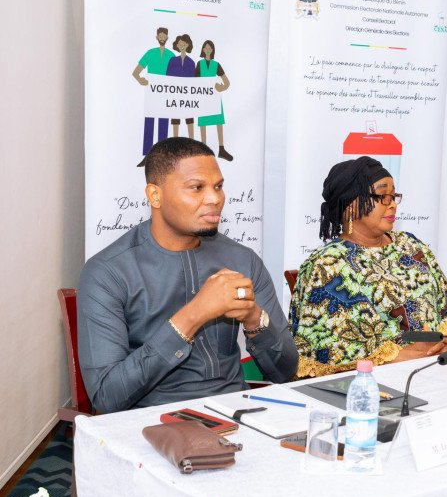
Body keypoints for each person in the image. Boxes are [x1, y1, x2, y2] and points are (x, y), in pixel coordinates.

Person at [78, 138, 297, 413]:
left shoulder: (243, 260)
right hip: (153, 421)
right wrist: (194, 315)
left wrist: (254, 318)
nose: (215, 199)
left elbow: (285, 371)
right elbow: (107, 396)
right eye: (197, 188)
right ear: (155, 195)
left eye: (218, 187)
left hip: (237, 415)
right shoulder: (108, 272)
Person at [290, 157, 447, 378]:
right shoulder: (326, 265)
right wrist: (399, 357)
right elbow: (324, 353)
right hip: (371, 382)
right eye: (382, 196)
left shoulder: (410, 245)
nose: (392, 204)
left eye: (393, 196)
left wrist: (444, 339)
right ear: (351, 204)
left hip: (436, 368)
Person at [131, 27, 174, 167]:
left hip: (166, 93)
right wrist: (141, 80)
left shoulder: (171, 55)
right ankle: (147, 155)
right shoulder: (150, 53)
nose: (162, 37)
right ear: (157, 37)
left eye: (164, 35)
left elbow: (176, 75)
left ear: (167, 38)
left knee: (163, 124)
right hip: (152, 93)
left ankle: (162, 157)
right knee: (150, 123)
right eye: (160, 35)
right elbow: (136, 72)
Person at [195, 40, 233, 161]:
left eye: (209, 48)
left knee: (218, 122)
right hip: (203, 97)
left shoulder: (216, 65)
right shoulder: (199, 64)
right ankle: (204, 149)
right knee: (203, 123)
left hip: (214, 97)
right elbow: (194, 81)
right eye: (205, 48)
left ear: (212, 50)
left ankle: (221, 149)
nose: (207, 50)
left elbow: (227, 82)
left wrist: (221, 87)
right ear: (203, 49)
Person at [166, 33, 196, 139]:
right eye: (180, 44)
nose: (182, 46)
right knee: (175, 119)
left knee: (190, 118)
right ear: (177, 45)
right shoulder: (172, 60)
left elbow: (194, 80)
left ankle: (192, 140)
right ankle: (175, 140)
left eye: (184, 44)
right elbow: (167, 77)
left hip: (188, 96)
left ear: (187, 45)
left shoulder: (191, 62)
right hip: (175, 95)